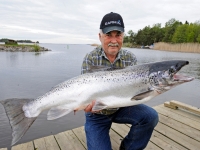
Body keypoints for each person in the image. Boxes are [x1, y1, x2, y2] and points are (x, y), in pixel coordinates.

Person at [81, 12, 158, 150]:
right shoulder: (90, 58)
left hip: (122, 107)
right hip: (97, 114)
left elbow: (136, 89)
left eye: (118, 35)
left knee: (150, 116)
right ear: (100, 36)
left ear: (123, 36)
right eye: (108, 35)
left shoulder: (130, 58)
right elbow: (85, 90)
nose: (114, 40)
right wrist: (85, 103)